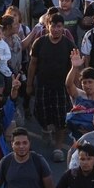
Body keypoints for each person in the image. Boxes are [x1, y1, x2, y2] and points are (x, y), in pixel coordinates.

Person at [27, 14, 76, 160]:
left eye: (59, 26)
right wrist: (29, 84)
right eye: (53, 26)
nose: (56, 29)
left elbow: (76, 68)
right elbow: (33, 64)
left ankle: (58, 148)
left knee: (61, 119)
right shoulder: (39, 42)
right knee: (40, 113)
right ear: (48, 26)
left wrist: (75, 89)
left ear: (63, 27)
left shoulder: (69, 45)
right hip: (42, 85)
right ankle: (46, 128)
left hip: (62, 87)